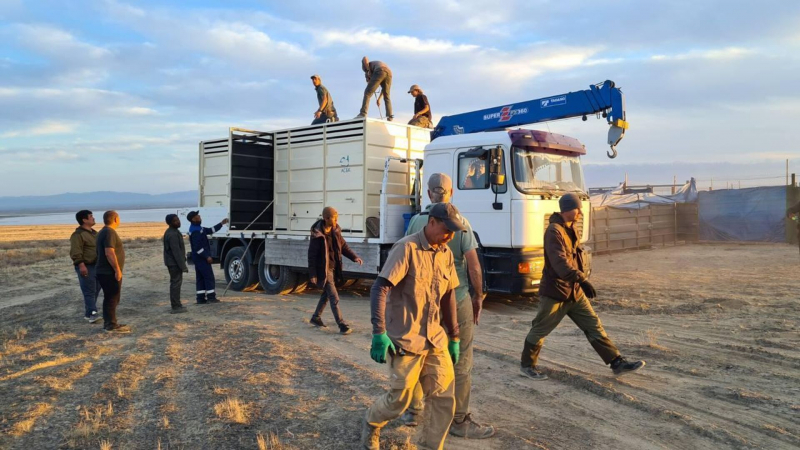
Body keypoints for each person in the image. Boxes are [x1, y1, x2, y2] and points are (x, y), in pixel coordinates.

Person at [361, 202, 465, 450]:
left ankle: (431, 446)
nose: (450, 236)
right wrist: (379, 333)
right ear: (431, 223)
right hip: (406, 339)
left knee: (444, 397)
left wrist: (454, 336)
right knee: (399, 400)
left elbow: (449, 294)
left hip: (435, 339)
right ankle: (371, 423)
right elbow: (380, 287)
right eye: (446, 229)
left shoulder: (446, 253)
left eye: (453, 231)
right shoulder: (406, 248)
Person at [400, 174, 494, 439]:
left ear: (429, 194)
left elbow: (407, 257)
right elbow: (474, 266)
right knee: (461, 359)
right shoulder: (461, 223)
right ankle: (460, 420)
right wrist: (478, 296)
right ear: (451, 193)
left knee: (421, 353)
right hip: (457, 297)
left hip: (423, 301)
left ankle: (413, 409)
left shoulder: (418, 222)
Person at [520, 193, 645, 380]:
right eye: (577, 208)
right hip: (556, 291)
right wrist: (582, 279)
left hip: (574, 291)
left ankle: (616, 362)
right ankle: (527, 365)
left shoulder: (571, 229)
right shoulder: (554, 232)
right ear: (568, 209)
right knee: (540, 329)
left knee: (593, 325)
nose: (580, 212)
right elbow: (560, 263)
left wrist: (579, 280)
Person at [307, 207, 363, 334]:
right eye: (335, 218)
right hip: (324, 270)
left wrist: (354, 257)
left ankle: (316, 317)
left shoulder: (335, 230)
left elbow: (343, 246)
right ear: (326, 218)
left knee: (326, 294)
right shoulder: (317, 235)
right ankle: (342, 325)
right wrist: (313, 274)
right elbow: (312, 256)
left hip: (334, 268)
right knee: (334, 296)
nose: (337, 220)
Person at [96, 211, 129, 333]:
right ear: (115, 219)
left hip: (105, 271)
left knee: (111, 297)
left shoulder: (103, 231)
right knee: (112, 297)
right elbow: (109, 252)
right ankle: (110, 325)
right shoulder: (109, 232)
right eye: (119, 217)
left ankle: (110, 322)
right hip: (108, 272)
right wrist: (117, 269)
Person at [187, 211, 228, 304]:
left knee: (200, 277)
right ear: (193, 219)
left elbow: (210, 230)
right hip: (200, 258)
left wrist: (221, 224)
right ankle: (211, 297)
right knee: (208, 277)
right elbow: (197, 247)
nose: (200, 216)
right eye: (197, 216)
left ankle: (200, 298)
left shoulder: (198, 228)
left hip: (198, 258)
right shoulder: (195, 230)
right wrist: (206, 256)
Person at [70, 210, 102, 323]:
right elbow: (75, 251)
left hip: (97, 265)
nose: (93, 218)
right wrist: (81, 265)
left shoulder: (94, 233)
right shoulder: (77, 235)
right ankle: (93, 314)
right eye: (91, 216)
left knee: (96, 289)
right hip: (86, 266)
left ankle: (88, 314)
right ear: (84, 220)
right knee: (89, 290)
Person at [163, 214, 188, 314]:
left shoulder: (174, 232)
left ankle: (177, 304)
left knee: (176, 283)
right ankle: (176, 306)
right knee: (175, 284)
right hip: (174, 263)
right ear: (170, 223)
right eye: (175, 221)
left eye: (178, 219)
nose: (178, 222)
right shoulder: (172, 234)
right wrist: (183, 266)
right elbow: (176, 252)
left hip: (173, 262)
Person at [355, 57, 392, 121]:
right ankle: (390, 117)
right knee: (387, 97)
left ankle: (363, 113)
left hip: (380, 70)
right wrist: (379, 99)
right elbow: (383, 90)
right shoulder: (375, 65)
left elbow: (365, 58)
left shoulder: (368, 67)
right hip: (389, 73)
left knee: (367, 93)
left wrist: (368, 70)